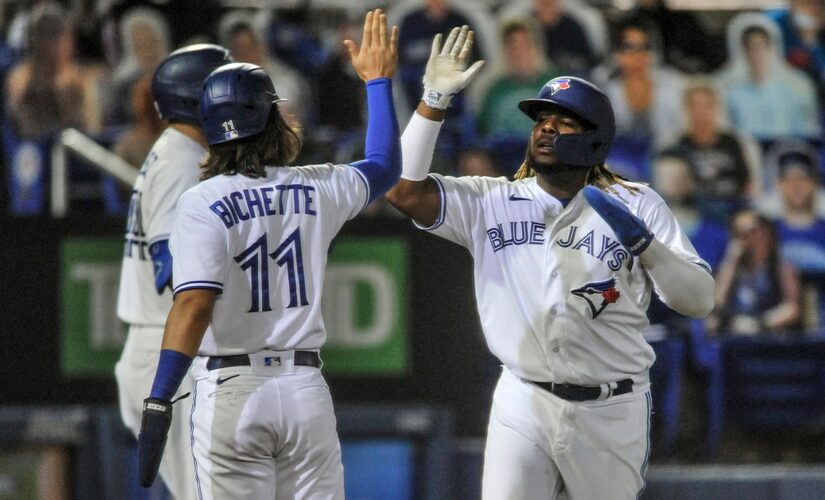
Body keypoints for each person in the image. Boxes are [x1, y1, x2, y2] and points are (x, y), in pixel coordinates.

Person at [385, 28, 715, 499]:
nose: (546, 128)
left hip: (611, 406)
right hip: (524, 396)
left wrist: (647, 246)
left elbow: (699, 301)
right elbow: (404, 191)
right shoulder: (492, 199)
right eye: (541, 119)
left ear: (595, 141)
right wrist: (434, 99)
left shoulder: (637, 204)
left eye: (564, 121)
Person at [136, 9, 400, 499]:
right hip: (304, 391)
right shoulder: (319, 185)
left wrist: (158, 398)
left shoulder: (201, 199)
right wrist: (378, 83)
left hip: (232, 391)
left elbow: (193, 303)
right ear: (268, 117)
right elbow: (385, 165)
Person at [114, 43, 232, 500]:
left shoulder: (180, 150)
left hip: (166, 345)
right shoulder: (182, 159)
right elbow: (172, 268)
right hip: (166, 347)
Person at [706, 209, 802, 337]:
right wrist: (731, 262)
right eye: (740, 234)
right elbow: (716, 307)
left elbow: (792, 309)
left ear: (768, 233)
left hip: (770, 336)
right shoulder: (731, 267)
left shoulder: (782, 266)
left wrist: (759, 324)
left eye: (754, 231)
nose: (749, 238)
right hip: (735, 336)